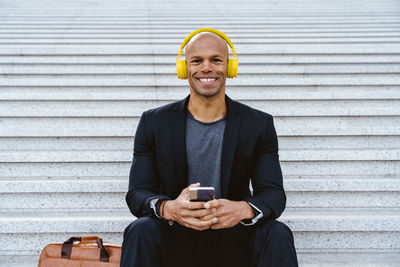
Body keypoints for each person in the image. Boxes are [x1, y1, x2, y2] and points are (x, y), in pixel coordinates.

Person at [120, 28, 298, 267]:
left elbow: (274, 194)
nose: (206, 68)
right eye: (197, 61)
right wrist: (168, 208)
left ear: (230, 67)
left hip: (234, 240)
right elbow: (138, 193)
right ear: (184, 69)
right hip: (175, 239)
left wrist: (242, 209)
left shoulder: (258, 124)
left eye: (216, 60)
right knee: (140, 229)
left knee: (277, 233)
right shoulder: (153, 122)